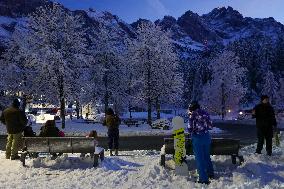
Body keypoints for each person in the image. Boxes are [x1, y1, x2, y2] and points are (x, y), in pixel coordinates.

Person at [188, 101, 214, 185]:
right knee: (206, 156)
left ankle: (203, 179)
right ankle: (210, 173)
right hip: (206, 137)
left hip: (197, 139)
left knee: (199, 159)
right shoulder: (205, 113)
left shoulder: (192, 115)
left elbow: (190, 129)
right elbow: (210, 126)